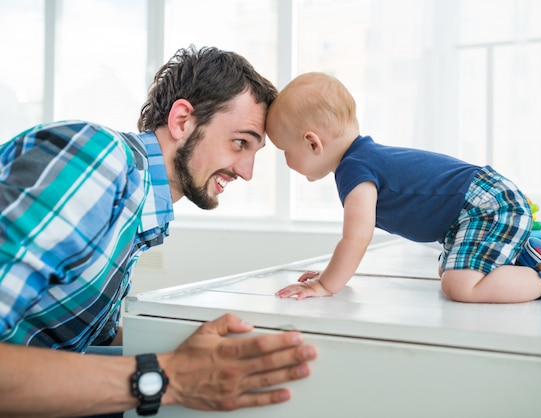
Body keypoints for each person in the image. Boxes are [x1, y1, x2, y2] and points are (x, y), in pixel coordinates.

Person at [0, 46, 316, 417]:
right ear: (182, 120)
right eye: (240, 143)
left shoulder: (139, 207)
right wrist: (171, 377)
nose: (246, 171)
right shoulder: (101, 160)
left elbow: (77, 336)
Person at [266, 71, 541, 303]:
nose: (285, 160)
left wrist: (326, 284)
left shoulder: (356, 169)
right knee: (451, 272)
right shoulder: (364, 159)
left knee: (460, 285)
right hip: (476, 207)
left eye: (284, 150)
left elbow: (356, 237)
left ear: (313, 143)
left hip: (485, 205)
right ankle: (527, 257)